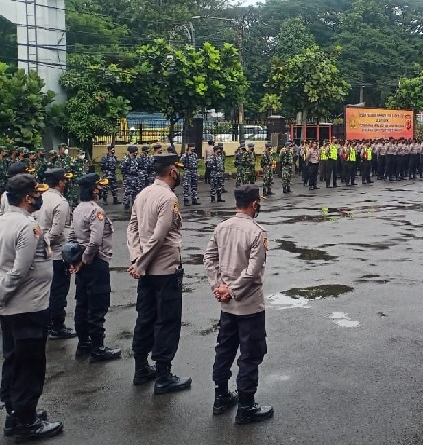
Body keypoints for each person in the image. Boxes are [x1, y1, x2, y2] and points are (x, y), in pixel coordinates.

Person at [0, 174, 64, 442]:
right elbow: (19, 270)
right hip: (28, 306)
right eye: (36, 194)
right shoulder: (28, 226)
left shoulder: (0, 222)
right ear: (28, 198)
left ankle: (15, 414)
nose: (39, 197)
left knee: (14, 360)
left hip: (10, 307)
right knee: (29, 365)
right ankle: (26, 423)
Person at [204, 184, 274, 424]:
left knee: (224, 349)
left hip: (226, 305)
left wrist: (219, 287)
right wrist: (232, 290)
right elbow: (253, 271)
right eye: (259, 202)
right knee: (250, 354)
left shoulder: (221, 227)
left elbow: (209, 258)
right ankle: (246, 406)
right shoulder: (257, 232)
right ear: (254, 204)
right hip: (249, 306)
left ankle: (221, 396)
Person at [127, 153, 191, 394]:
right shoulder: (168, 197)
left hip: (145, 271)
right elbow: (160, 236)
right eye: (178, 169)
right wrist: (140, 263)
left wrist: (136, 258)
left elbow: (132, 229)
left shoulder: (143, 194)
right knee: (167, 321)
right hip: (164, 270)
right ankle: (163, 376)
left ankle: (141, 368)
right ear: (172, 171)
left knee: (145, 318)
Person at [68, 173, 123, 363]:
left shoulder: (77, 209)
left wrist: (75, 261)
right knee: (97, 304)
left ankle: (83, 344)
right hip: (95, 262)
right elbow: (95, 241)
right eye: (98, 187)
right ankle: (98, 348)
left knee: (82, 303)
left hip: (82, 262)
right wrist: (84, 259)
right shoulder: (95, 210)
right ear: (93, 189)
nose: (100, 189)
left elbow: (72, 237)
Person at [36, 168, 77, 340]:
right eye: (64, 180)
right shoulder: (61, 202)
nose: (66, 183)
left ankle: (47, 323)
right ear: (60, 182)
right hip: (57, 253)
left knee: (47, 290)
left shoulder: (41, 197)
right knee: (59, 291)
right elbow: (57, 231)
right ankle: (57, 325)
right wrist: (45, 243)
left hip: (42, 253)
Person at [120, 145, 141, 211]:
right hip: (128, 178)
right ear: (132, 152)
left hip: (135, 178)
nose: (136, 153)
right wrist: (125, 178)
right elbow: (122, 169)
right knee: (128, 193)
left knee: (135, 193)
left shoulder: (136, 159)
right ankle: (126, 206)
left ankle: (134, 206)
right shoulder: (126, 159)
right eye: (135, 151)